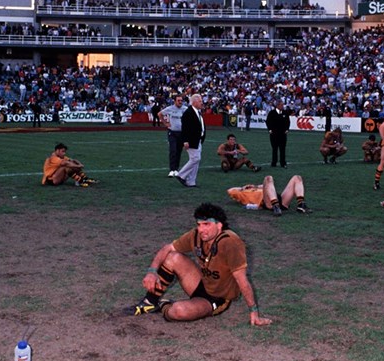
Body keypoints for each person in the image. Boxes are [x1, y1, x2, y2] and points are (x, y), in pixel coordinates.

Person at [126, 203, 273, 326]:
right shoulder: (196, 235)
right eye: (199, 224)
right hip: (201, 283)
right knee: (172, 257)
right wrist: (152, 271)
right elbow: (167, 248)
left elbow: (242, 281)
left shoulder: (231, 243)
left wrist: (254, 311)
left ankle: (163, 305)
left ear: (219, 225)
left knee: (179, 311)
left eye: (206, 224)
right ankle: (149, 302)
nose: (201, 229)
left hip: (217, 298)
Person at [227, 175, 311, 216]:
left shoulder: (258, 188)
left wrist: (255, 186)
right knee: (268, 178)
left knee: (297, 177)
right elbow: (230, 190)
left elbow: (267, 186)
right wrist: (242, 188)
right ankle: (275, 206)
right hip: (267, 203)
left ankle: (301, 204)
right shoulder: (242, 193)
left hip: (278, 199)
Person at [175, 94, 205, 188]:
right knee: (195, 159)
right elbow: (185, 129)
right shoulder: (188, 113)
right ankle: (181, 175)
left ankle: (191, 181)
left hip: (198, 140)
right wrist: (185, 141)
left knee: (196, 161)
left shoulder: (197, 112)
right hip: (191, 140)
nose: (202, 103)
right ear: (195, 102)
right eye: (200, 101)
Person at [159, 95, 186, 178]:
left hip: (181, 133)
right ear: (174, 101)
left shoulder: (185, 109)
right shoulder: (170, 108)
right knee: (173, 150)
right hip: (172, 132)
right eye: (178, 100)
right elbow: (159, 114)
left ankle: (176, 170)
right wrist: (165, 123)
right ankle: (171, 170)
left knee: (179, 151)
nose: (180, 102)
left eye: (181, 100)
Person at [266, 100, 290, 168]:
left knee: (282, 149)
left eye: (283, 105)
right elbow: (268, 121)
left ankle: (283, 163)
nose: (283, 106)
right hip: (274, 134)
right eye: (281, 105)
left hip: (282, 134)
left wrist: (287, 129)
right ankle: (274, 162)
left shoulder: (285, 113)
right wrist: (270, 129)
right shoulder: (272, 113)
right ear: (278, 105)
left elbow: (288, 122)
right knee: (274, 149)